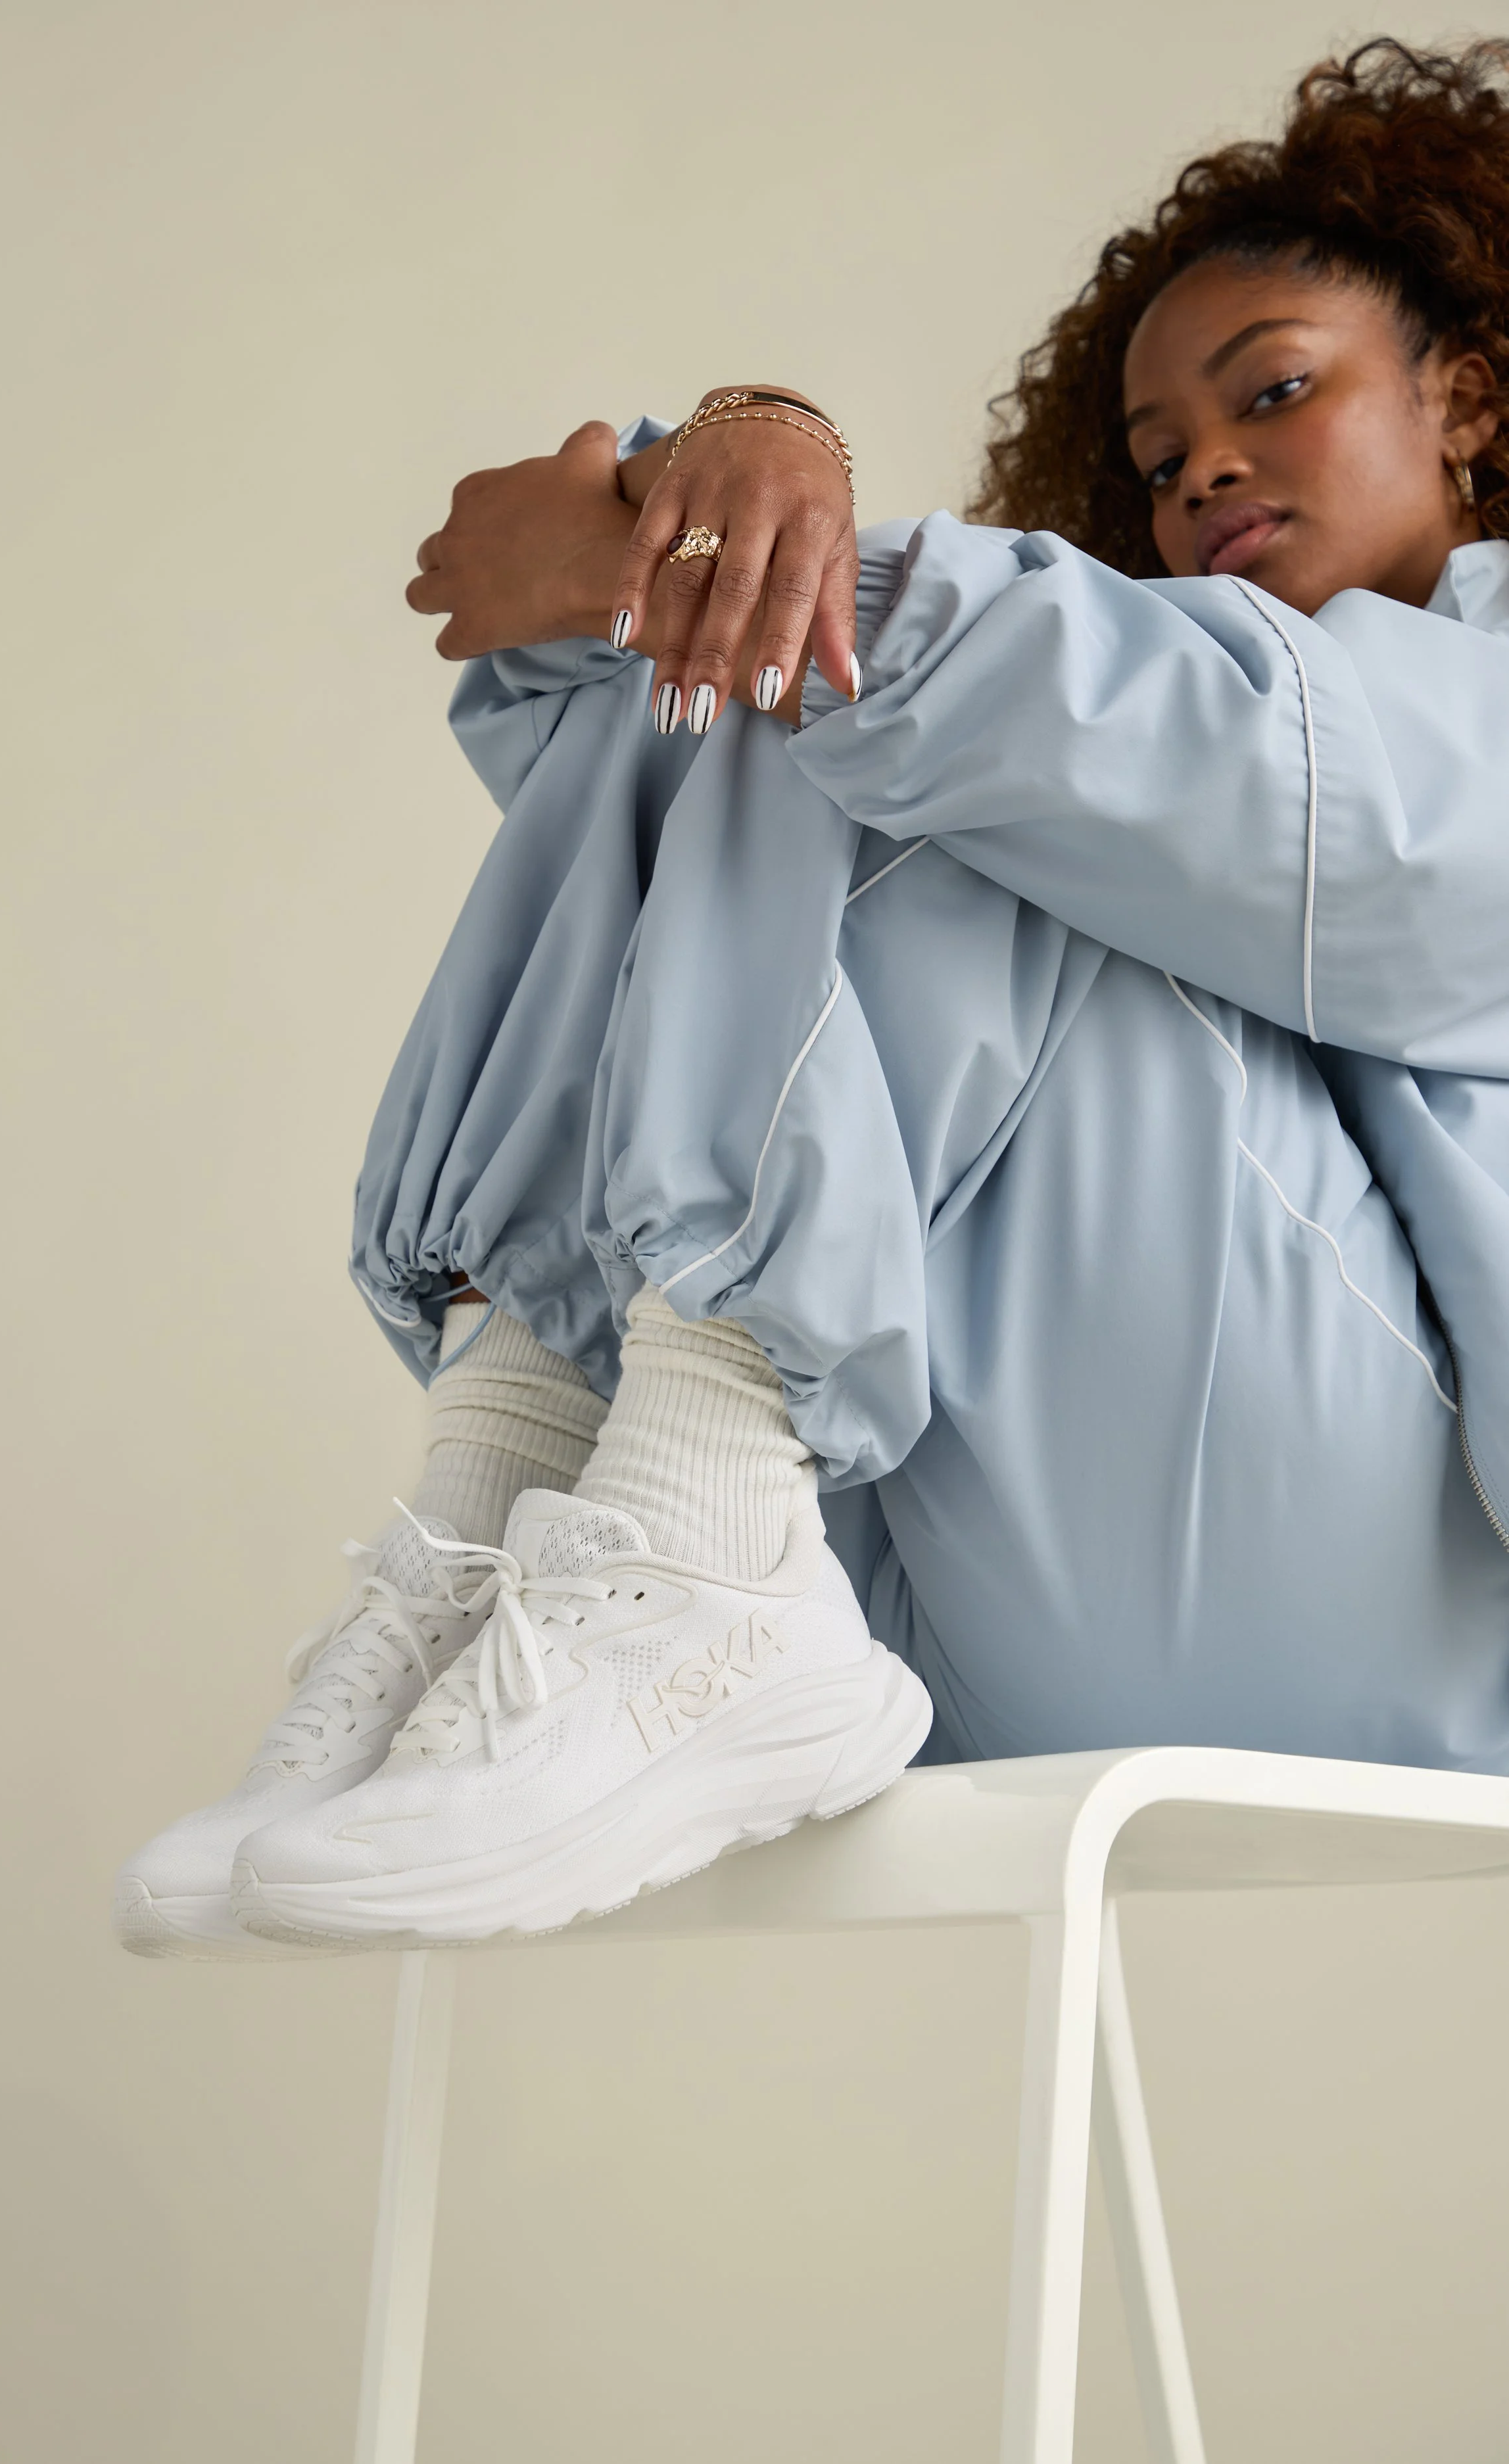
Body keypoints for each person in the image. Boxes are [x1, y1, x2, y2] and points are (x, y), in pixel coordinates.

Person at [117, 38, 1509, 1959]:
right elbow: (662, 899)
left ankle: (689, 1525)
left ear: (1467, 396)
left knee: (869, 683)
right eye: (1156, 454)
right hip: (1018, 1596)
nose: (1201, 468)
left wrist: (699, 525)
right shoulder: (1100, 707)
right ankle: (505, 1514)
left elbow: (1275, 781)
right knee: (790, 684)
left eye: (1271, 389)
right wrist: (713, 507)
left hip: (1413, 1606)